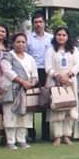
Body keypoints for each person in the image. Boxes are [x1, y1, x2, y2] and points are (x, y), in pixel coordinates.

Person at [0, 33, 38, 149]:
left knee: (24, 116)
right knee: (10, 114)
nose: (21, 44)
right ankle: (10, 141)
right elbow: (7, 71)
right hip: (12, 89)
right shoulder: (8, 56)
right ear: (13, 43)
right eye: (18, 42)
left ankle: (21, 139)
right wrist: (22, 81)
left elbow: (34, 74)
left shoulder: (30, 58)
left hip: (26, 91)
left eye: (23, 42)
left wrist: (31, 83)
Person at [47, 26, 79, 145]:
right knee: (57, 110)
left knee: (70, 110)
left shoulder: (73, 50)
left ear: (68, 37)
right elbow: (48, 67)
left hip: (70, 83)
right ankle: (57, 136)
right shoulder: (51, 50)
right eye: (59, 35)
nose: (61, 37)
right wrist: (58, 76)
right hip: (56, 83)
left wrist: (69, 75)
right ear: (55, 36)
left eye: (64, 35)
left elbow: (77, 65)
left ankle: (67, 135)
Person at [26, 13, 52, 143]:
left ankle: (46, 133)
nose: (38, 24)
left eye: (40, 22)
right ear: (33, 23)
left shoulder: (51, 38)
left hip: (47, 71)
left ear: (44, 23)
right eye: (36, 22)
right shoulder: (28, 38)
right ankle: (31, 133)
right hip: (32, 72)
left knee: (46, 102)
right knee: (31, 103)